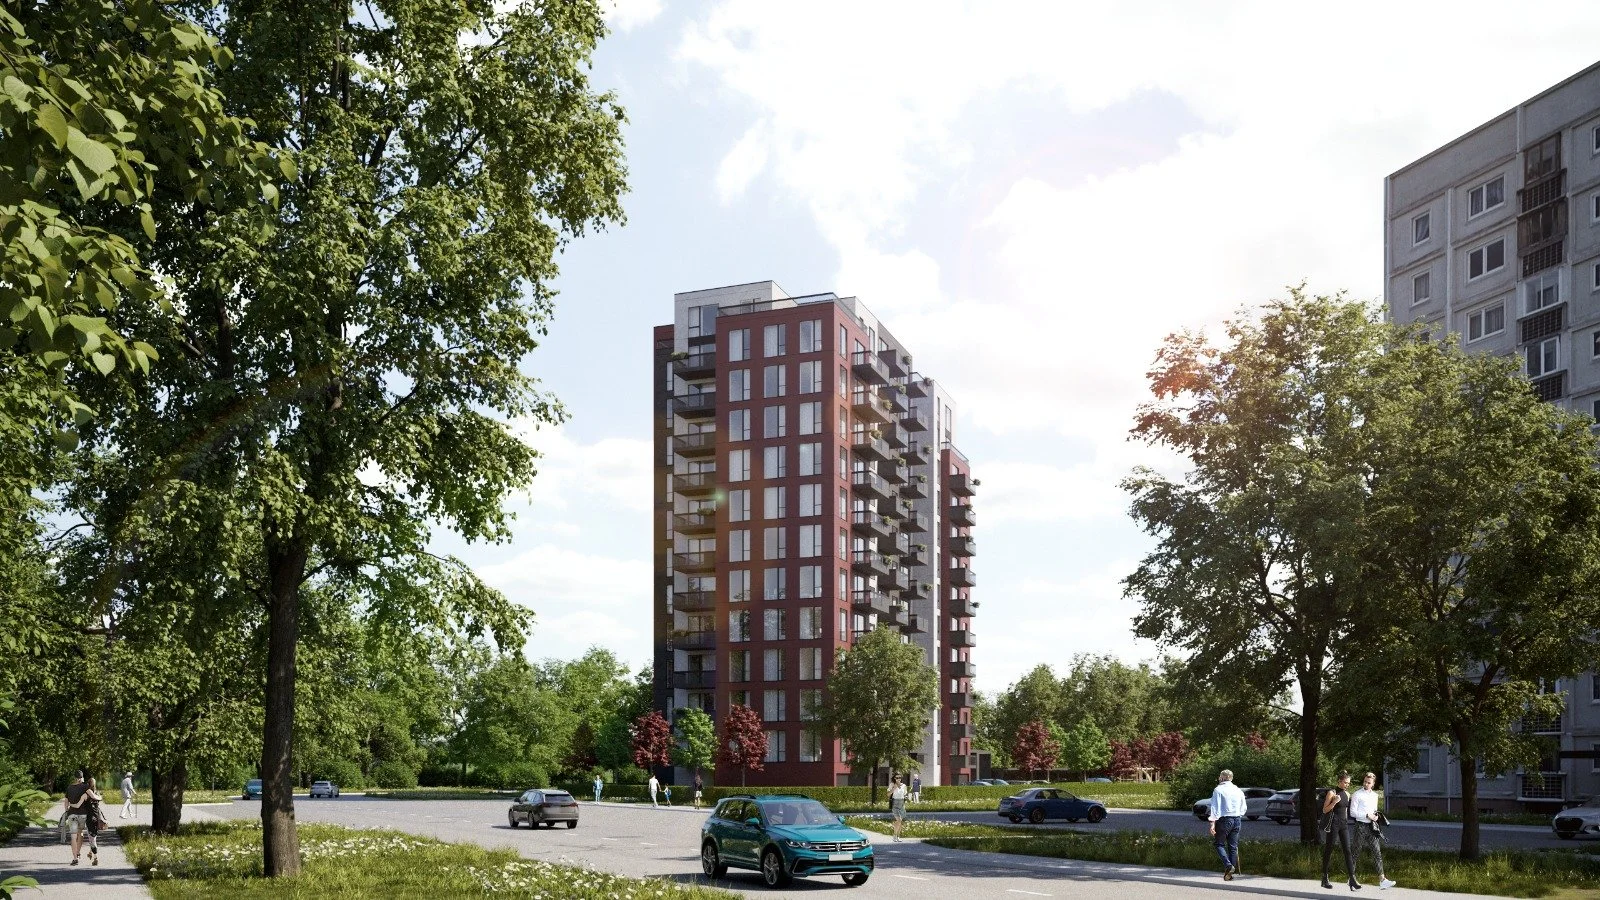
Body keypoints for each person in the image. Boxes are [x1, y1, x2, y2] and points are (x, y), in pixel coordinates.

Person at [1350, 772, 1396, 890]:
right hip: (1360, 826)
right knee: (1355, 853)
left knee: (1377, 852)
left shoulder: (1375, 796)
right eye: (1365, 781)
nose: (1366, 784)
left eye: (1368, 782)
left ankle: (1382, 880)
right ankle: (1351, 878)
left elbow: (1373, 810)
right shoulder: (1356, 794)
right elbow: (1352, 813)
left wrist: (1375, 817)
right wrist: (1367, 815)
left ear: (1373, 784)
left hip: (1372, 827)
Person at [1206, 768, 1246, 881]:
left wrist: (1212, 823)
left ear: (1222, 778)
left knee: (1219, 844)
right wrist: (1238, 815)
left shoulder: (1218, 790)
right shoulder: (1238, 790)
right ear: (1231, 778)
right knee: (1233, 847)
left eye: (1220, 777)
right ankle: (1229, 874)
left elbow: (1215, 808)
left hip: (1224, 819)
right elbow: (1244, 807)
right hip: (1237, 819)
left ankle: (1228, 866)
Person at [1319, 772, 1357, 890]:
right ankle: (1324, 878)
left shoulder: (1347, 793)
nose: (1347, 785)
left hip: (1343, 824)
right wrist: (1334, 802)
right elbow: (1325, 810)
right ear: (1339, 781)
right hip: (1333, 824)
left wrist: (1346, 821)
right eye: (1345, 782)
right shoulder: (1332, 793)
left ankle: (1352, 879)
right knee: (1329, 849)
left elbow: (1345, 810)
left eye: (1348, 783)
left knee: (1347, 850)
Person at [63, 769, 100, 866]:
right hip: (82, 815)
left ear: (74, 778)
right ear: (82, 777)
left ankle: (75, 858)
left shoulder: (69, 787)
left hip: (72, 814)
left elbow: (66, 801)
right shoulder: (85, 786)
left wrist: (66, 810)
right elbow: (93, 796)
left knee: (73, 836)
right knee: (81, 834)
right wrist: (100, 798)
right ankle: (78, 852)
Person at [888, 775, 908, 842]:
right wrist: (894, 788)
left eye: (899, 778)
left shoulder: (904, 785)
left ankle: (898, 836)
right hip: (895, 803)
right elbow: (888, 794)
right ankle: (894, 835)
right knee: (899, 820)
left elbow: (905, 794)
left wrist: (906, 797)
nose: (898, 779)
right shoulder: (892, 784)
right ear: (894, 778)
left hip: (902, 804)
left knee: (900, 821)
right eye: (897, 778)